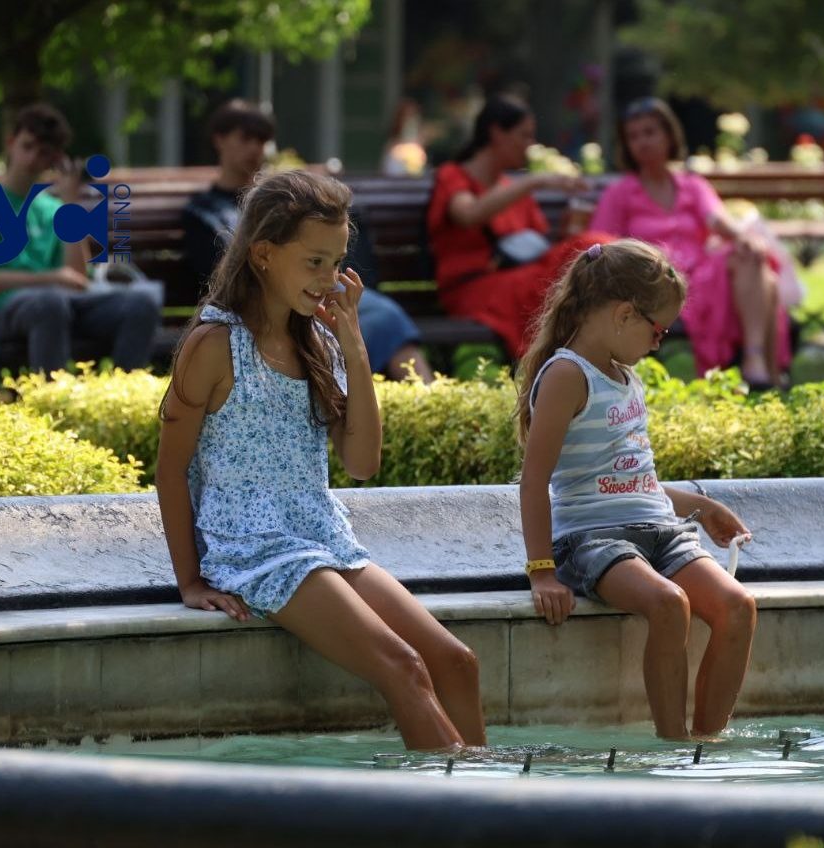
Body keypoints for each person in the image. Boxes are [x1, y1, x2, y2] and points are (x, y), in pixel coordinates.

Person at [157, 169, 485, 751]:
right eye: (313, 262)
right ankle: (459, 818)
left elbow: (362, 462)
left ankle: (495, 801)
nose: (329, 279)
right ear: (262, 254)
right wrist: (189, 579)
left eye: (336, 263)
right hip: (253, 547)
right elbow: (170, 467)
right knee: (403, 666)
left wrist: (356, 349)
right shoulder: (213, 345)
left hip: (322, 537)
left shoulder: (321, 343)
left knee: (457, 661)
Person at [516, 239, 757, 740]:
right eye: (658, 329)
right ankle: (673, 750)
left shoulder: (624, 377)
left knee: (738, 607)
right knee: (669, 604)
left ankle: (705, 746)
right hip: (593, 539)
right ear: (626, 314)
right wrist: (542, 572)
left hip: (658, 530)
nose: (657, 343)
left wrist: (700, 505)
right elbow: (535, 480)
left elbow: (631, 477)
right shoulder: (566, 375)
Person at [184, 99, 434, 383]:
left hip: (319, 288)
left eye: (262, 140)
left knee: (386, 315)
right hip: (271, 296)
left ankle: (427, 401)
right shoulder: (205, 210)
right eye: (246, 138)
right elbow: (217, 272)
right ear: (219, 139)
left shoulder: (287, 201)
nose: (255, 148)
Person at [590, 97, 791, 389]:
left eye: (650, 132)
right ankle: (765, 371)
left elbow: (718, 220)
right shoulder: (621, 193)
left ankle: (755, 358)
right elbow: (600, 246)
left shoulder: (692, 185)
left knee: (749, 254)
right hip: (652, 282)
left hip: (701, 276)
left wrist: (745, 239)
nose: (642, 142)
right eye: (633, 136)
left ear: (669, 135)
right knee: (768, 283)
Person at [0, 102, 160, 373]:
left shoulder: (53, 210)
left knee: (141, 304)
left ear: (54, 159)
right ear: (10, 143)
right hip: (15, 309)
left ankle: (121, 398)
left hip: (64, 305)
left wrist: (70, 205)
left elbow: (76, 277)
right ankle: (55, 404)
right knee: (49, 302)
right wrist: (51, 279)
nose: (31, 160)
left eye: (43, 153)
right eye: (27, 147)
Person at [426, 94, 611, 360]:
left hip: (521, 281)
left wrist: (569, 231)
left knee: (590, 247)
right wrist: (534, 181)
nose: (529, 144)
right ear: (497, 133)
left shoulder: (511, 189)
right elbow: (468, 215)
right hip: (474, 290)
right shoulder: (453, 176)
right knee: (585, 253)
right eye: (524, 135)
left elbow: (539, 250)